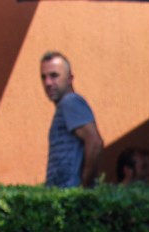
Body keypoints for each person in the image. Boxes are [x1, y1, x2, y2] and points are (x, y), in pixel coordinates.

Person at [40, 51, 103, 188]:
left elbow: (95, 142)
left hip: (70, 197)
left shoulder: (71, 102)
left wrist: (84, 188)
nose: (48, 83)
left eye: (54, 76)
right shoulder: (65, 106)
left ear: (69, 79)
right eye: (43, 77)